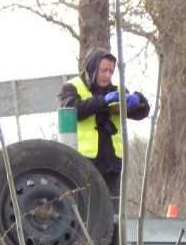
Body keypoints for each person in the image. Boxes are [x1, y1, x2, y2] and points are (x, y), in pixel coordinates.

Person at [57, 47, 150, 203]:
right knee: (87, 213)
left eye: (111, 71)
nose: (108, 75)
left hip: (111, 164)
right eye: (104, 70)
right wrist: (103, 101)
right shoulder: (71, 88)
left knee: (113, 216)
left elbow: (141, 112)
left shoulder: (118, 90)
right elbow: (72, 111)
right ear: (93, 68)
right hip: (83, 164)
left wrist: (138, 99)